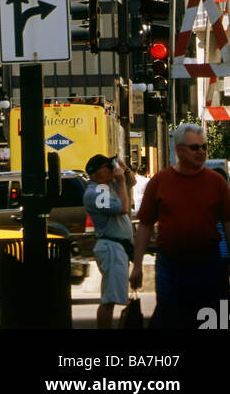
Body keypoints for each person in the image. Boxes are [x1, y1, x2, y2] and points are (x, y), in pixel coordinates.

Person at [131, 124, 230, 329]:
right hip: (171, 267)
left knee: (212, 323)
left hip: (209, 266)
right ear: (179, 150)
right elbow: (145, 226)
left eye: (204, 146)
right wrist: (137, 265)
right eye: (195, 147)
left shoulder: (217, 183)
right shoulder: (160, 181)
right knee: (172, 320)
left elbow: (228, 223)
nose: (201, 151)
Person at [83, 155, 133, 329]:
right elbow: (123, 208)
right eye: (107, 167)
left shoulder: (104, 187)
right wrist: (119, 182)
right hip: (111, 246)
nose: (111, 170)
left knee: (111, 297)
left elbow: (131, 182)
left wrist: (123, 169)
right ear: (95, 173)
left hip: (117, 246)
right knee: (109, 299)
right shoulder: (95, 193)